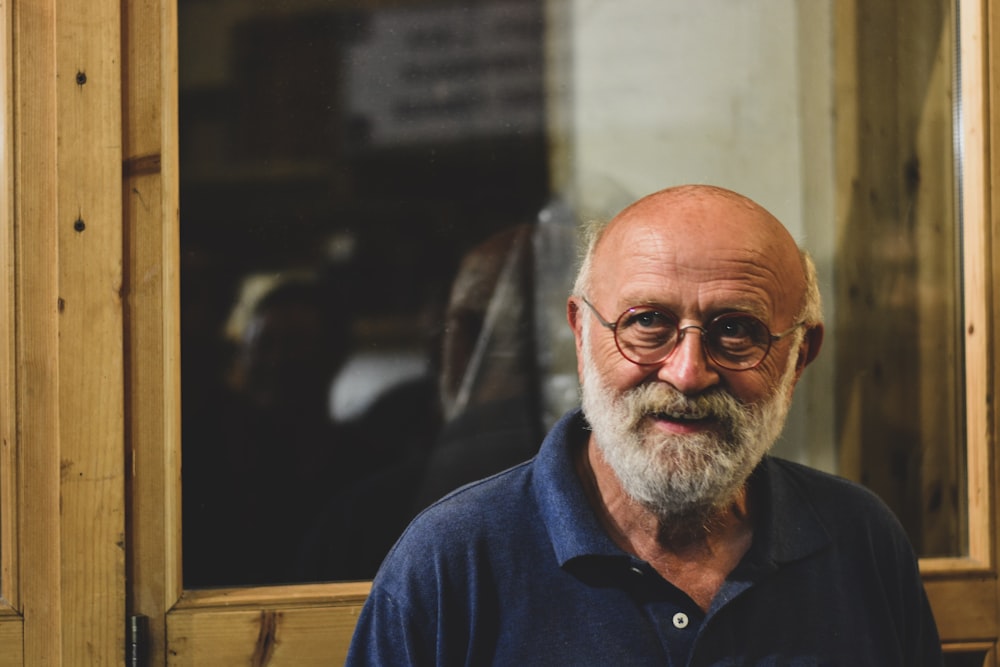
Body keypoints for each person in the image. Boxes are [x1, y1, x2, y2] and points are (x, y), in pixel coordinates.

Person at [345, 185, 943, 665]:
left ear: (799, 357)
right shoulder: (453, 563)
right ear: (582, 336)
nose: (687, 373)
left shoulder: (859, 540)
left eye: (736, 331)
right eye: (648, 321)